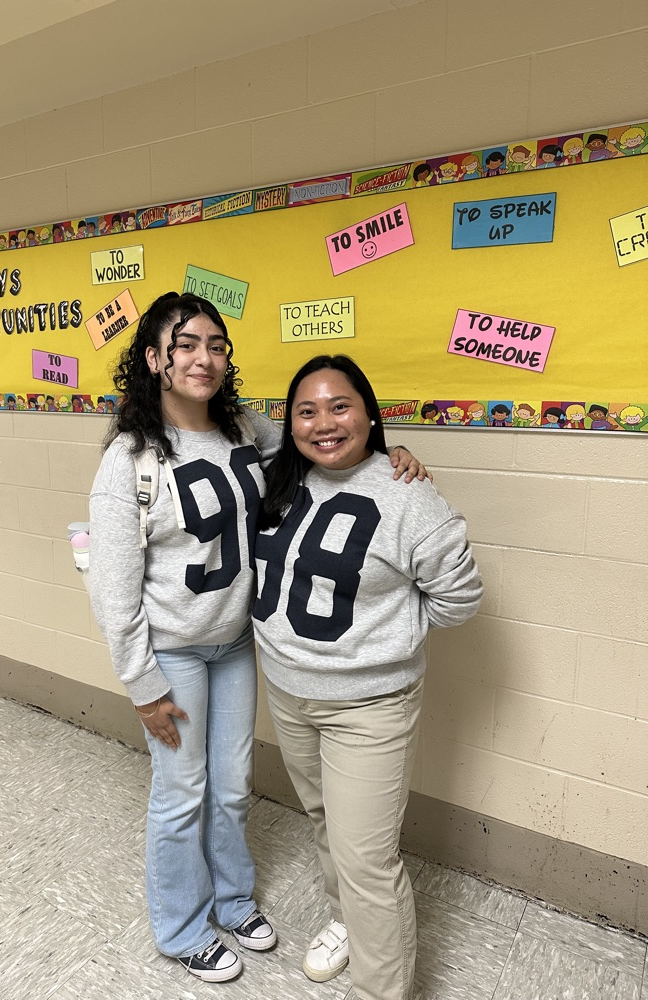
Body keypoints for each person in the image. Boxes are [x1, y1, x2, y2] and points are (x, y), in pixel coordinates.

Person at [87, 295, 427, 984]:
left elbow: (324, 452)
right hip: (173, 654)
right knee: (181, 792)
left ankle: (234, 900)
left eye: (214, 344)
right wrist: (142, 683)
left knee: (234, 786)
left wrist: (393, 457)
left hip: (237, 645)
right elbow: (114, 589)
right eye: (183, 345)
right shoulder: (128, 460)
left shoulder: (247, 429)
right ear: (152, 359)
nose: (202, 358)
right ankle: (182, 927)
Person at [253, 355, 483, 1000]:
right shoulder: (279, 474)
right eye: (307, 410)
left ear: (371, 412)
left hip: (368, 707)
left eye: (340, 405)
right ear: (289, 423)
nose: (325, 422)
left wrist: (384, 639)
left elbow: (459, 598)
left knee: (367, 861)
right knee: (327, 821)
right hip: (289, 691)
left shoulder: (408, 495)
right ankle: (344, 923)